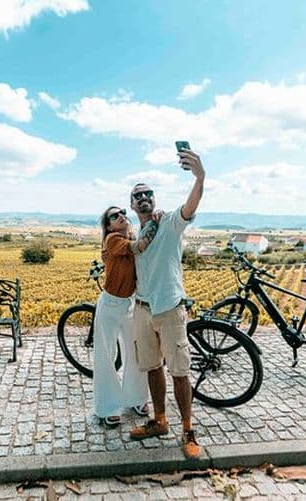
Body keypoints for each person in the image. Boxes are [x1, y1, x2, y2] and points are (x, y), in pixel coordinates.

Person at [128, 149, 205, 459]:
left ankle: (188, 430)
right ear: (133, 205)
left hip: (170, 309)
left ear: (154, 201)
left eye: (148, 193)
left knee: (179, 371)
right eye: (138, 196)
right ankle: (160, 420)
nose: (144, 197)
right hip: (142, 309)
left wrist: (200, 176)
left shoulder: (171, 221)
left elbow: (191, 205)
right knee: (152, 368)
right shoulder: (134, 235)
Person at [93, 206, 159, 427]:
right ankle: (109, 406)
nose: (121, 215)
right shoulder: (112, 240)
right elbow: (139, 247)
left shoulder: (130, 235)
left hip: (131, 304)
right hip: (110, 305)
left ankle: (137, 399)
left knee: (136, 354)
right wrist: (156, 222)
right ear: (109, 225)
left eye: (122, 212)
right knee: (106, 355)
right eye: (114, 215)